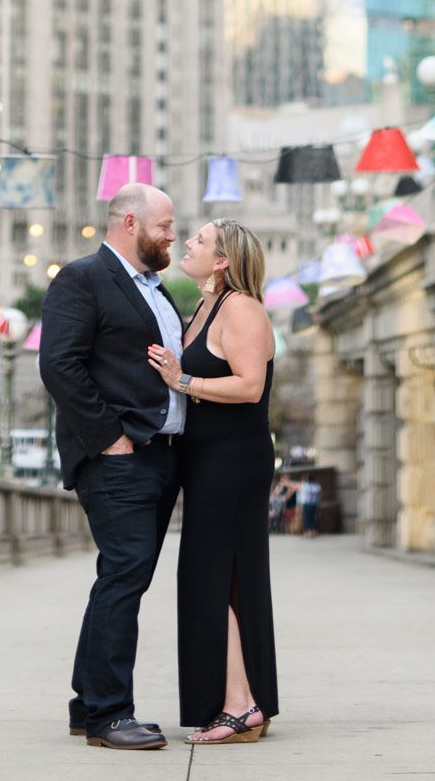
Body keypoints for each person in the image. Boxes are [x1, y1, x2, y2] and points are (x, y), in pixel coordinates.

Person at [39, 183, 185, 752]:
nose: (172, 234)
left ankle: (87, 704)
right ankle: (107, 714)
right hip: (119, 457)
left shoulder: (157, 289)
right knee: (124, 574)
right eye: (165, 224)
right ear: (130, 222)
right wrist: (110, 440)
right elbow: (59, 365)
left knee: (126, 576)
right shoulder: (82, 278)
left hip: (160, 456)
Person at [148, 218, 279, 746]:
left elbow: (249, 387)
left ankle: (240, 704)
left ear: (222, 260)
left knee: (218, 577)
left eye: (200, 240)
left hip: (235, 459)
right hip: (206, 458)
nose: (188, 243)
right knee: (212, 579)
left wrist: (181, 379)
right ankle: (240, 699)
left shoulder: (243, 308)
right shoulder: (207, 305)